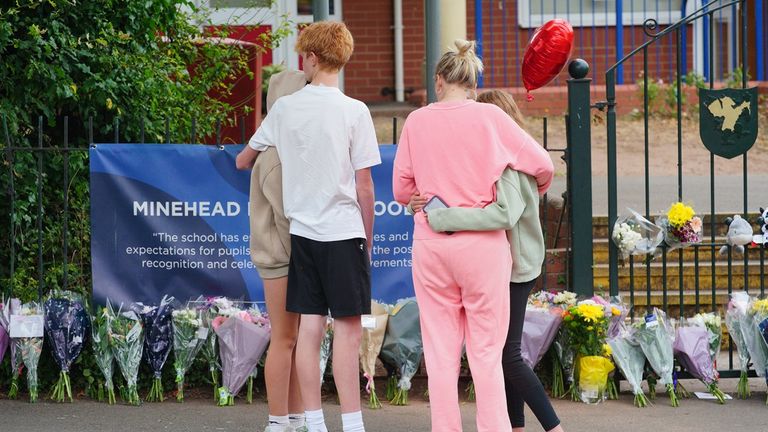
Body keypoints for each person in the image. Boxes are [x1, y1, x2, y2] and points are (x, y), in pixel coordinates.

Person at [392, 41, 553, 432]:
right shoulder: (491, 119)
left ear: (439, 80)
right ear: (472, 82)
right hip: (483, 248)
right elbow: (543, 165)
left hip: (432, 243)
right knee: (486, 350)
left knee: (441, 350)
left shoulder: (416, 121)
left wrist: (416, 198)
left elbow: (401, 190)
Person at [238, 21, 380, 432]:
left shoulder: (284, 109)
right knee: (348, 334)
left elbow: (244, 158)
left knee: (309, 331)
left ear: (314, 58)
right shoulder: (356, 111)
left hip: (302, 235)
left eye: (304, 56)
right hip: (344, 232)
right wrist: (366, 239)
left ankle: (313, 422)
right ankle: (352, 424)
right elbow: (364, 185)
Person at [236, 69, 308, 432]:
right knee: (285, 339)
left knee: (293, 340)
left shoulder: (274, 149)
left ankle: (292, 417)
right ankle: (279, 420)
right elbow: (286, 217)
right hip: (284, 257)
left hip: (283, 255)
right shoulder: (278, 155)